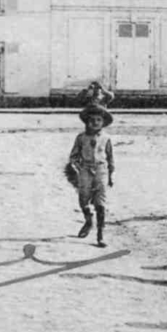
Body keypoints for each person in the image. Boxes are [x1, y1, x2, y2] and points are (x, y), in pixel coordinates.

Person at [66, 104, 115, 247]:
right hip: (85, 170)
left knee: (101, 203)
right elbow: (74, 156)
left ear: (103, 122)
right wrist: (77, 166)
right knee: (84, 199)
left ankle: (100, 234)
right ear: (87, 122)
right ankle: (88, 220)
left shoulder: (106, 138)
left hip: (101, 170)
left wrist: (111, 175)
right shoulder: (81, 138)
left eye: (99, 120)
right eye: (92, 120)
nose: (95, 123)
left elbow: (110, 157)